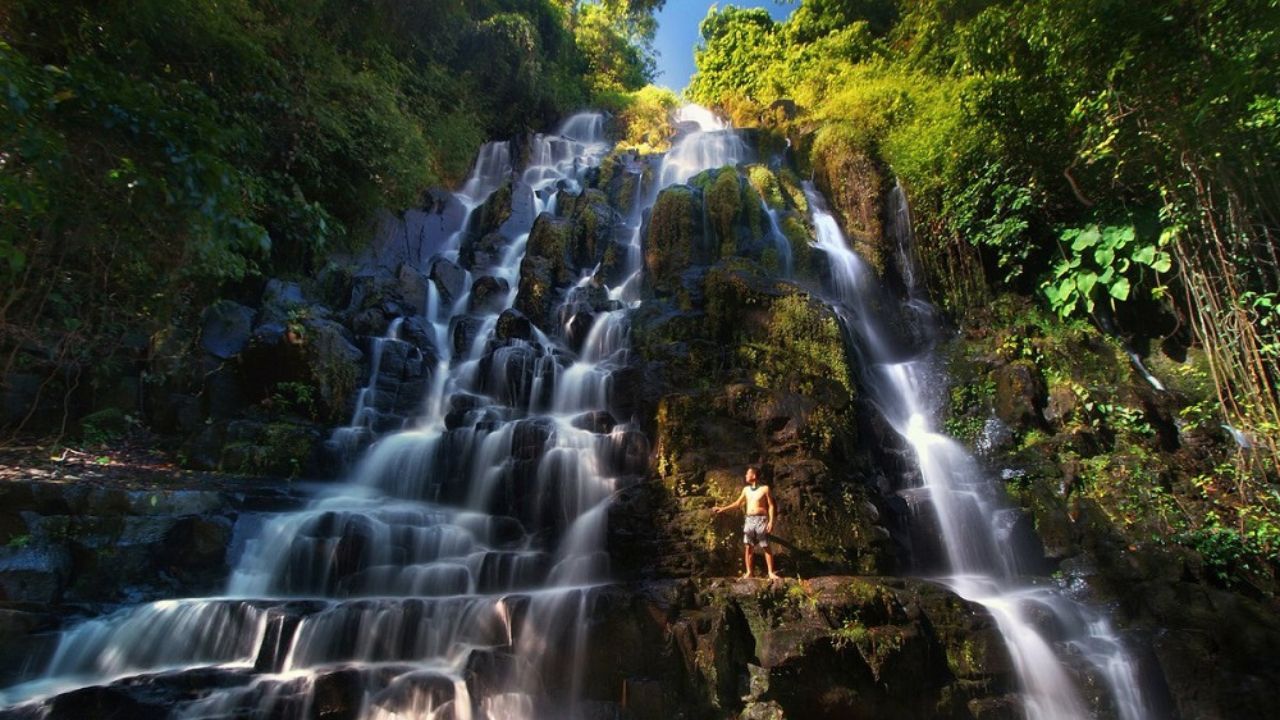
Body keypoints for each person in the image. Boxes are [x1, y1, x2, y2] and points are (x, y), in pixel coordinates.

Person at [713, 466, 779, 580]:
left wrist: (771, 522)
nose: (746, 476)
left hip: (761, 520)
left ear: (754, 475)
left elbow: (771, 505)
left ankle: (770, 572)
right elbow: (738, 503)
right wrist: (722, 508)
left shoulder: (765, 489)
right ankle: (749, 572)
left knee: (765, 545)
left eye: (747, 474)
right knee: (748, 546)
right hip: (749, 520)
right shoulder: (746, 489)